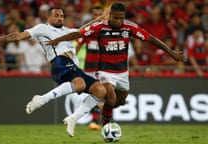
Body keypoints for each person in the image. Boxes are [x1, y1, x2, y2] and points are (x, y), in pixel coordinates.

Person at [47, 1, 186, 135]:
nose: (118, 21)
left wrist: (172, 53)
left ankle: (102, 112)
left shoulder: (129, 27)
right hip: (105, 72)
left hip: (123, 73)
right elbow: (78, 33)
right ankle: (106, 124)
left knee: (119, 101)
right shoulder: (100, 27)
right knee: (110, 97)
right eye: (115, 18)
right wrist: (58, 40)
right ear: (110, 15)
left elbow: (151, 38)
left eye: (121, 18)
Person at [0, 7, 108, 137]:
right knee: (80, 84)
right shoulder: (42, 29)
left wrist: (98, 20)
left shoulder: (68, 31)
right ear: (49, 18)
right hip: (60, 62)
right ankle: (41, 99)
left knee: (100, 90)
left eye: (62, 16)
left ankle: (73, 118)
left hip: (74, 67)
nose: (60, 18)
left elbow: (82, 30)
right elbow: (18, 35)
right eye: (56, 15)